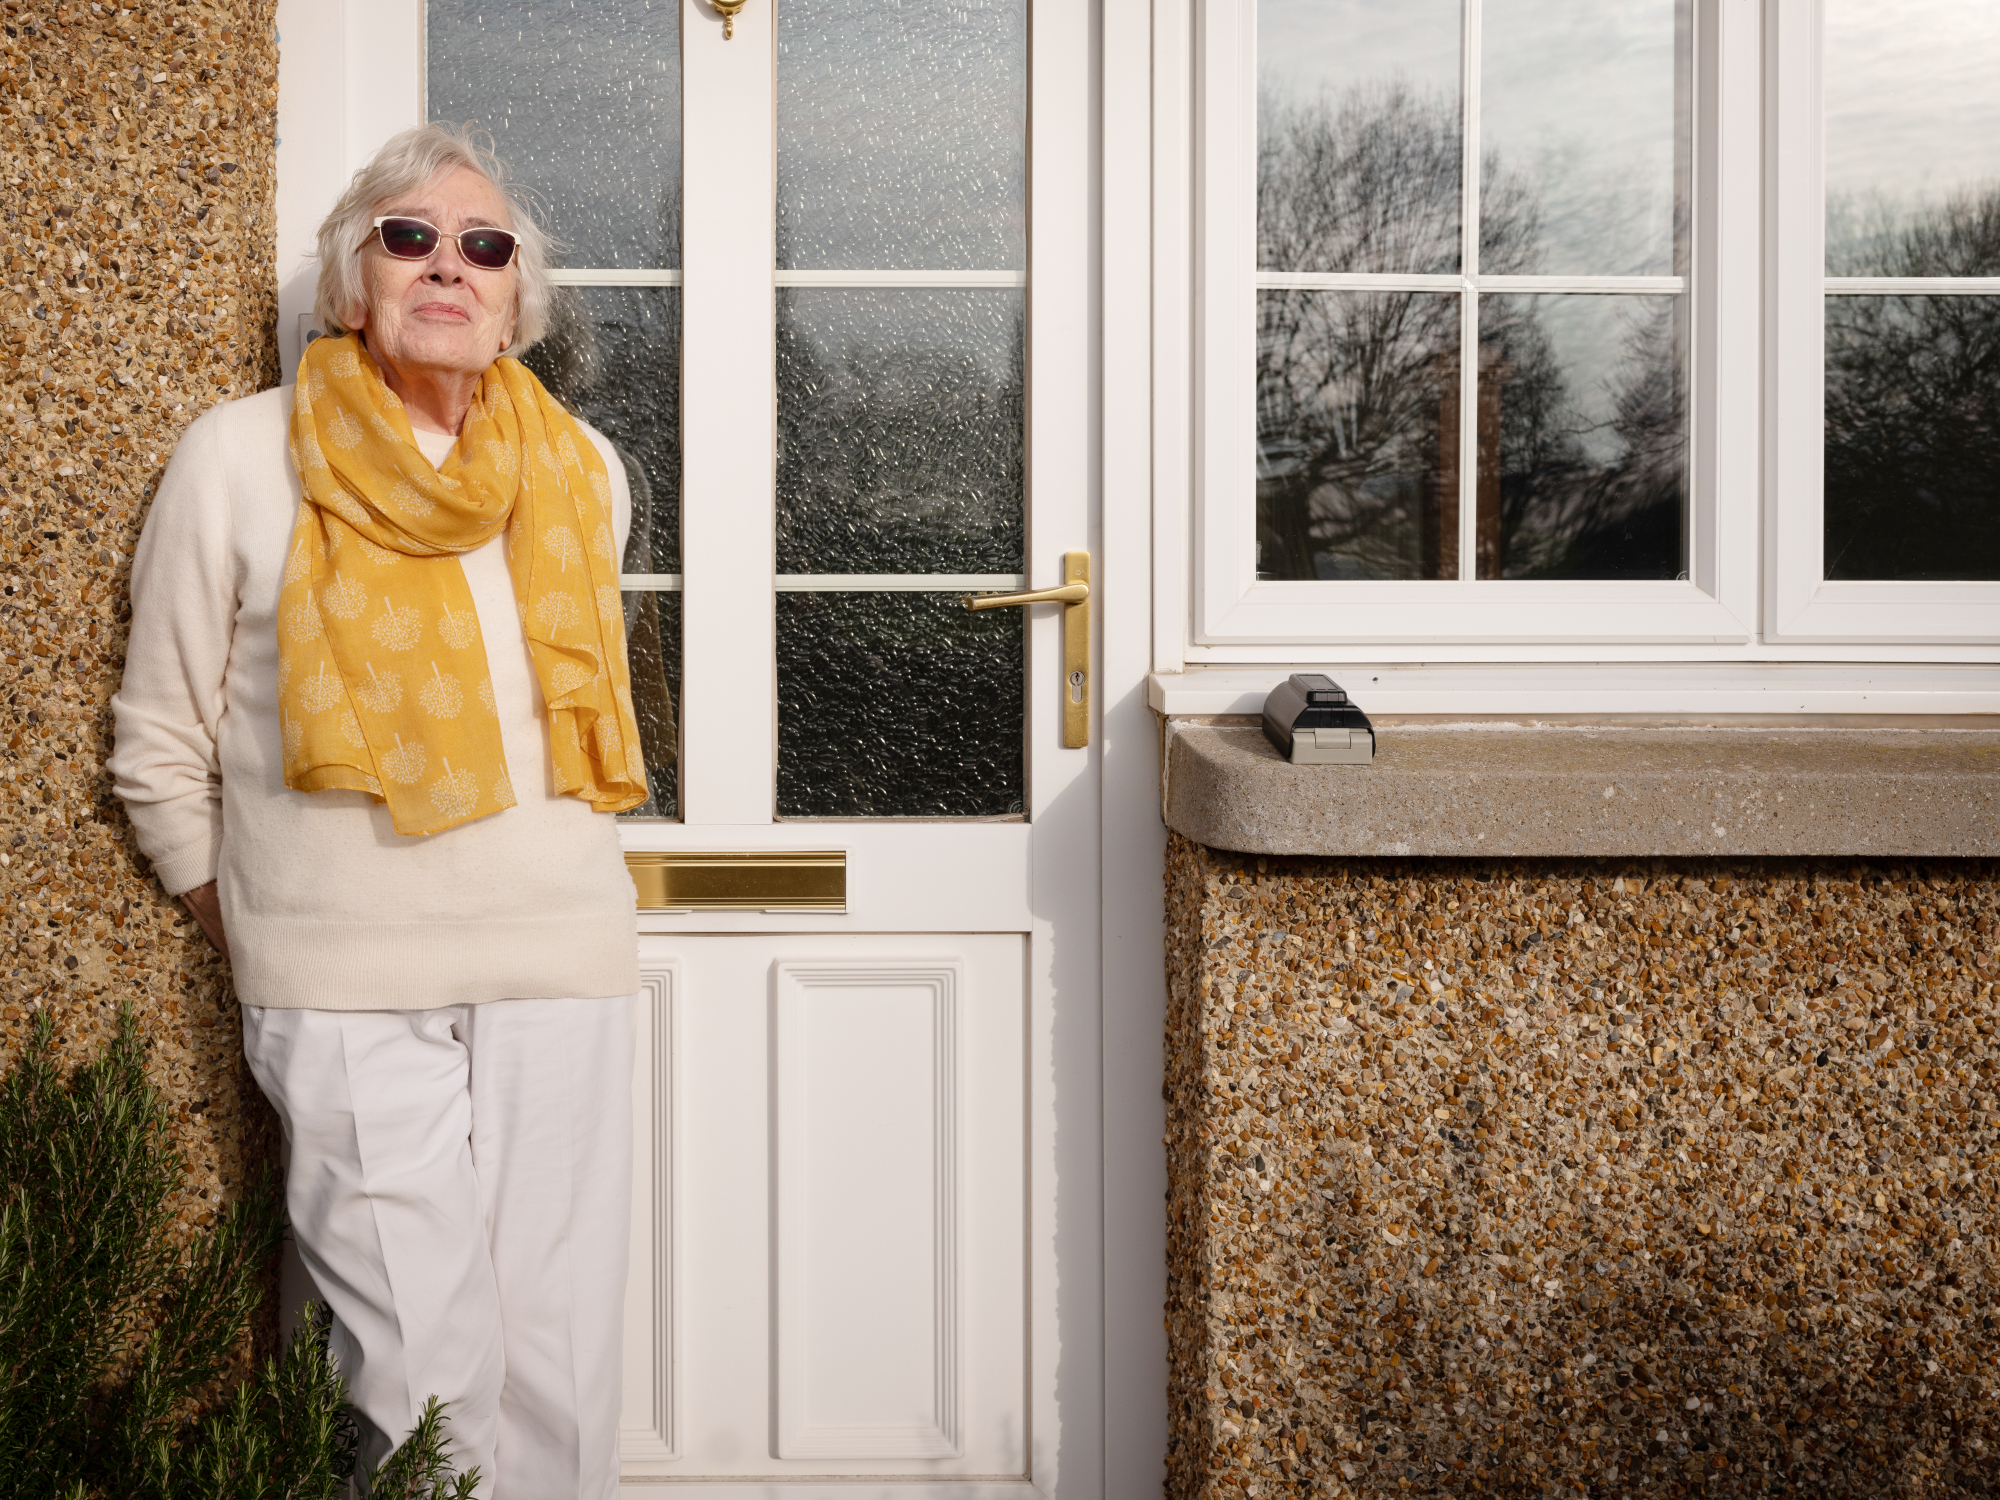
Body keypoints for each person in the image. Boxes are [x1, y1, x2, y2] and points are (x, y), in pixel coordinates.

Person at [109, 122, 645, 1498]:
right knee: (417, 1361)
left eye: (485, 245)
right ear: (354, 285)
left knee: (557, 1350)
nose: (448, 264)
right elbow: (159, 734)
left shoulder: (585, 471)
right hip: (341, 978)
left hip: (558, 960)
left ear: (519, 301)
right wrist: (250, 920)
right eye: (409, 237)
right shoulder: (238, 458)